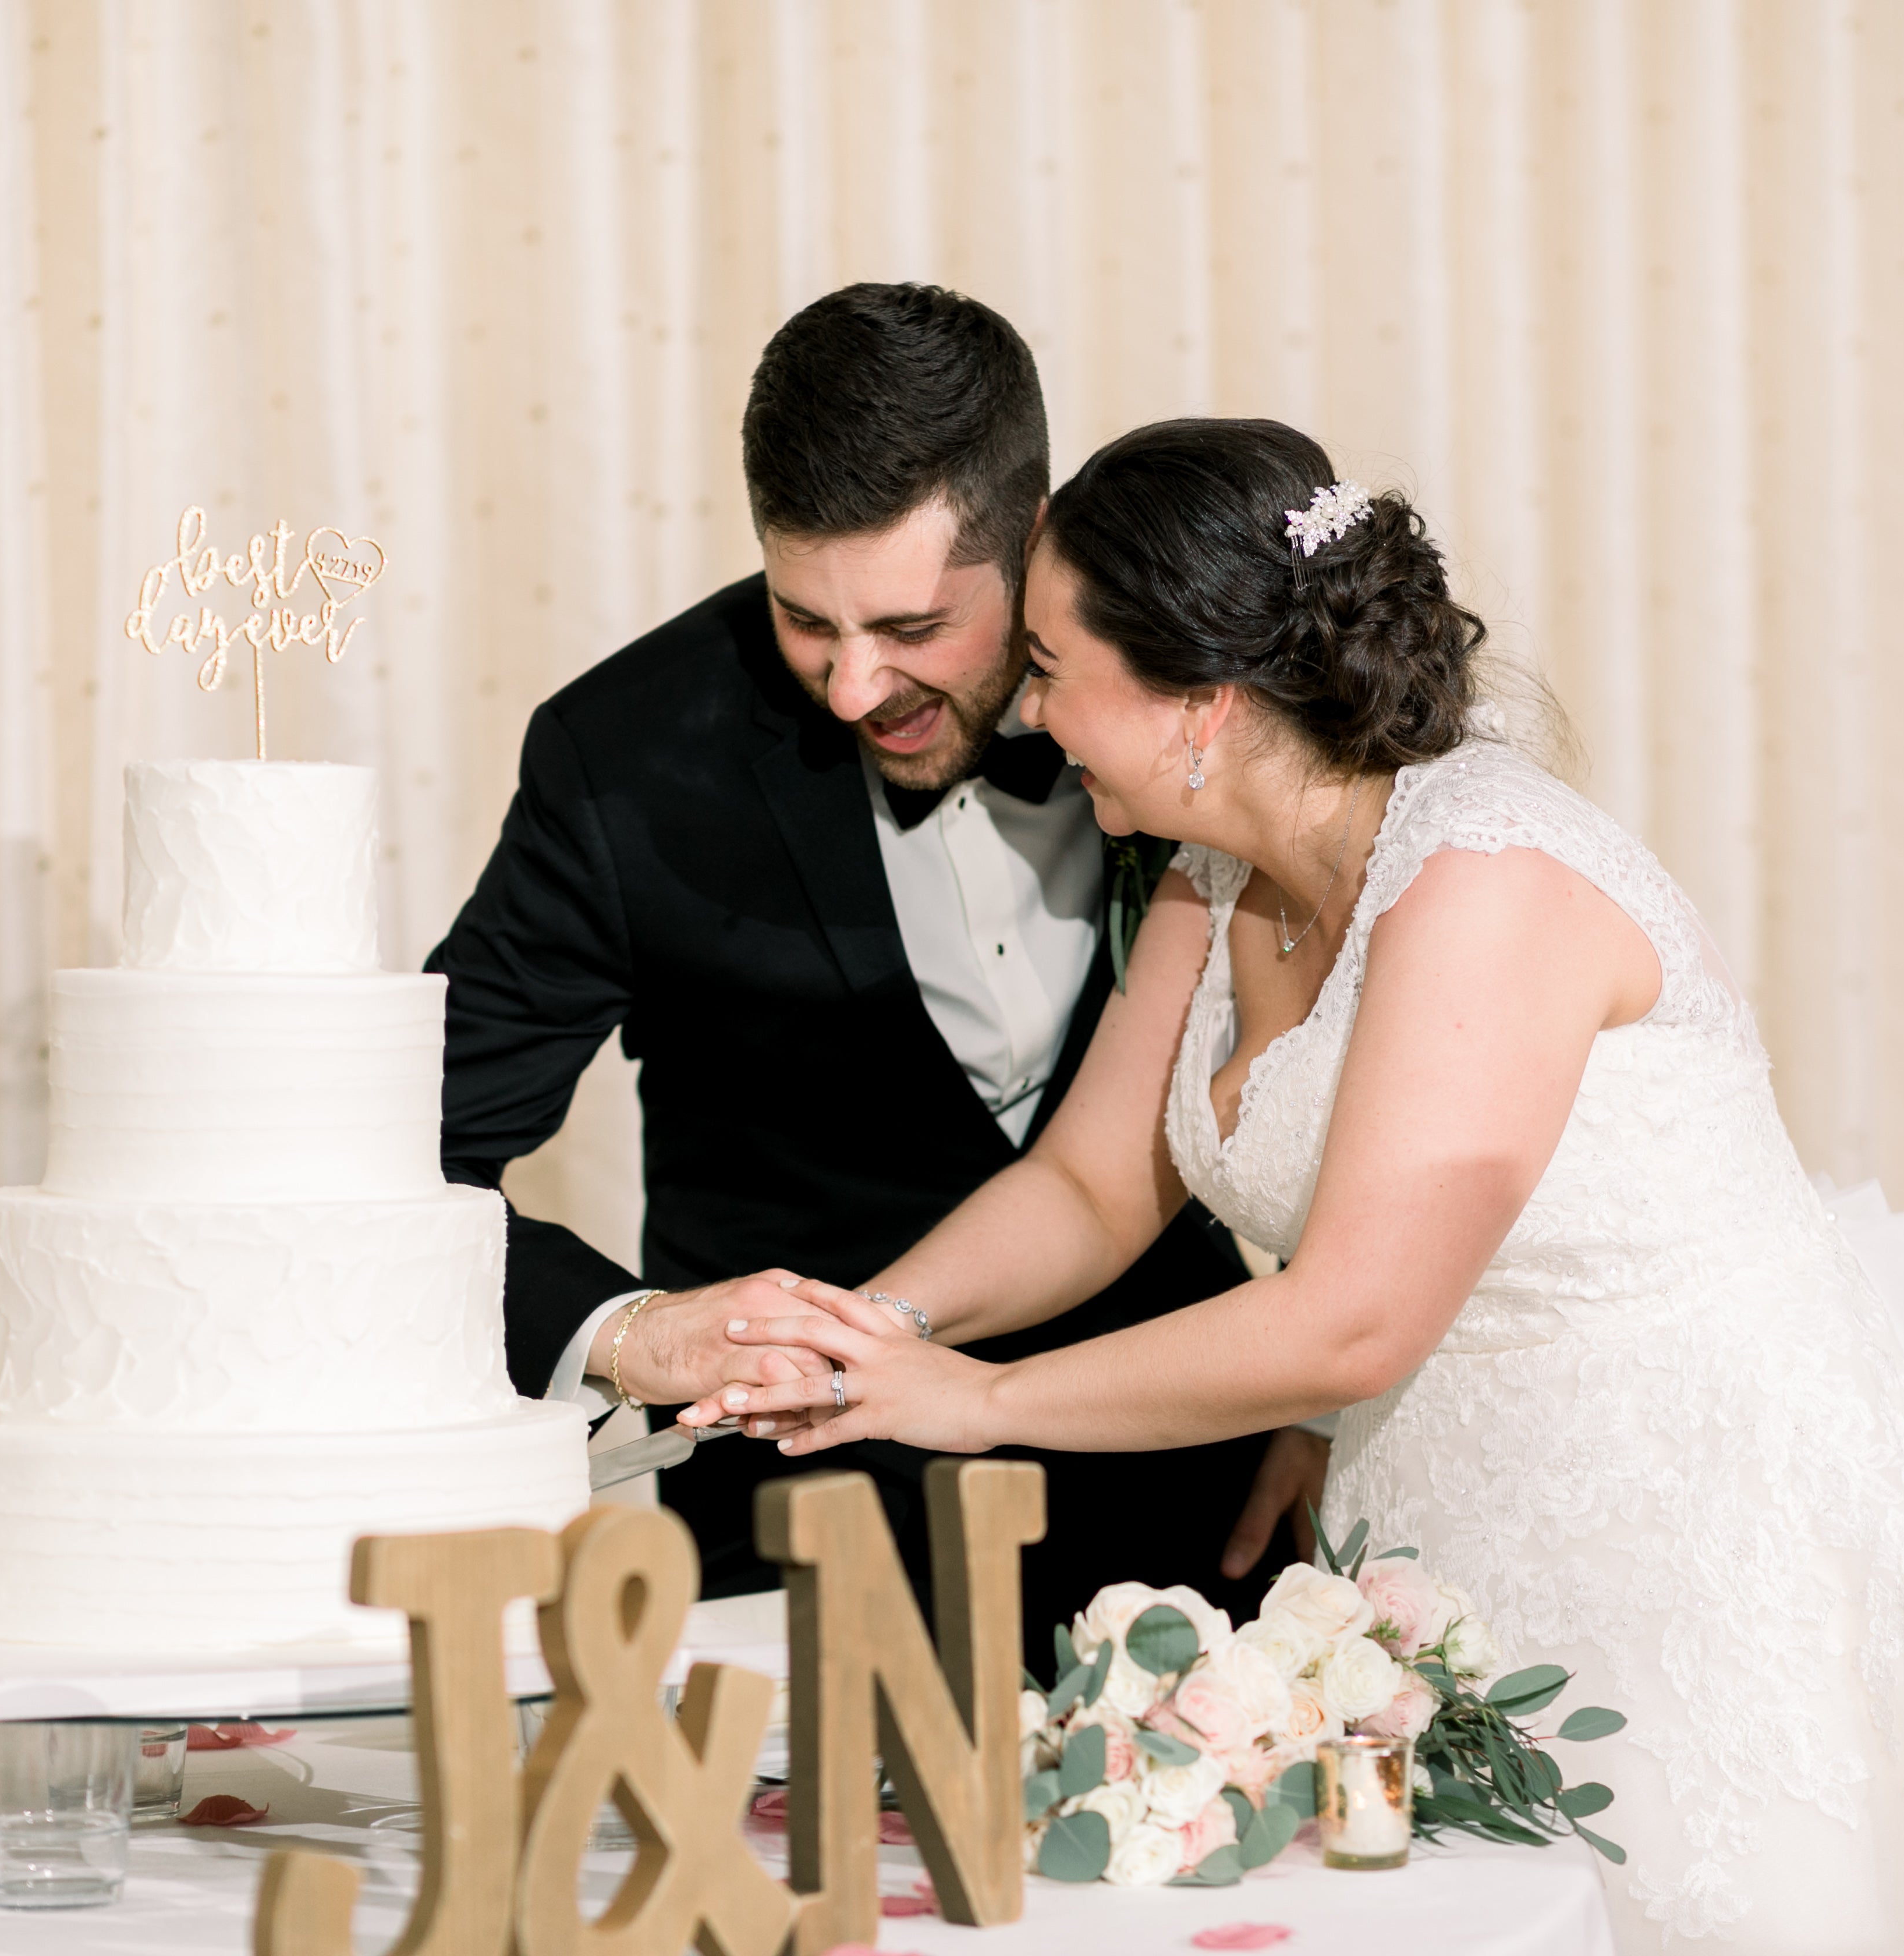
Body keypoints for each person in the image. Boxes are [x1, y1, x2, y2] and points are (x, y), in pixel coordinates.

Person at [676, 420, 1904, 1953]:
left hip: (1693, 1532)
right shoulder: (1217, 877)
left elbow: (1350, 1326)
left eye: (1058, 666)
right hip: (1442, 1536)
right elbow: (1089, 1188)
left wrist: (975, 1402)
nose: (1033, 706)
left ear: (1200, 700)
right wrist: (865, 1330)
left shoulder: (1485, 883)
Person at [424, 289, 1319, 1636]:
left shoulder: (1187, 701)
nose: (850, 690)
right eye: (805, 622)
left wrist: (1332, 1394)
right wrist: (626, 1330)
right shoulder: (621, 759)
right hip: (804, 1551)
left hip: (1196, 1509)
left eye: (910, 631)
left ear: (1036, 541)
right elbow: (399, 1155)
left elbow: (1378, 1075)